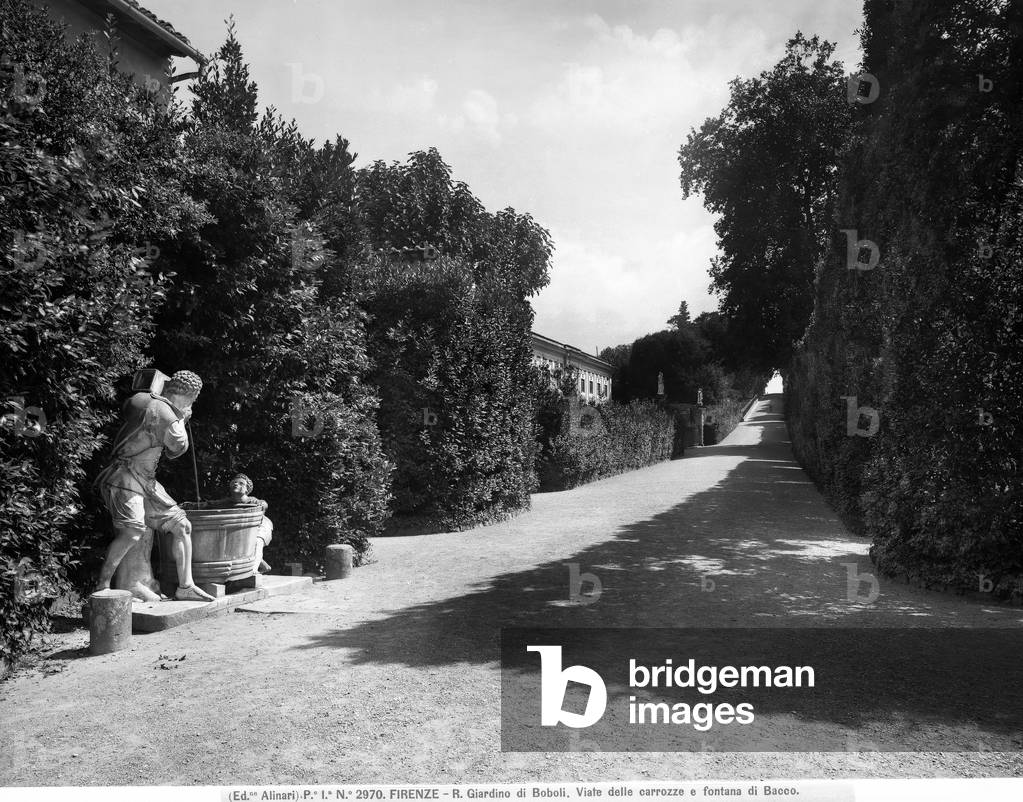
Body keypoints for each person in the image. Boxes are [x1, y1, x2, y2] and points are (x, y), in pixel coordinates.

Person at [94, 370, 214, 602]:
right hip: (124, 478)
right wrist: (182, 418)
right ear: (190, 396)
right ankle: (102, 586)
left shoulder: (142, 399)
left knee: (182, 525)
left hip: (145, 481)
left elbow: (131, 405)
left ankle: (185, 586)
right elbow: (177, 449)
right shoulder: (169, 416)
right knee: (133, 530)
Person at [184, 473, 274, 573]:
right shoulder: (227, 502)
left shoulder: (253, 501)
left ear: (247, 489)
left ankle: (253, 572)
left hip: (261, 525)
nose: (236, 484)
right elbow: (208, 505)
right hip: (243, 527)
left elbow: (264, 505)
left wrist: (262, 505)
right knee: (240, 546)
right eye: (234, 482)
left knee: (257, 542)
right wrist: (188, 505)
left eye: (241, 483)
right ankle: (264, 566)